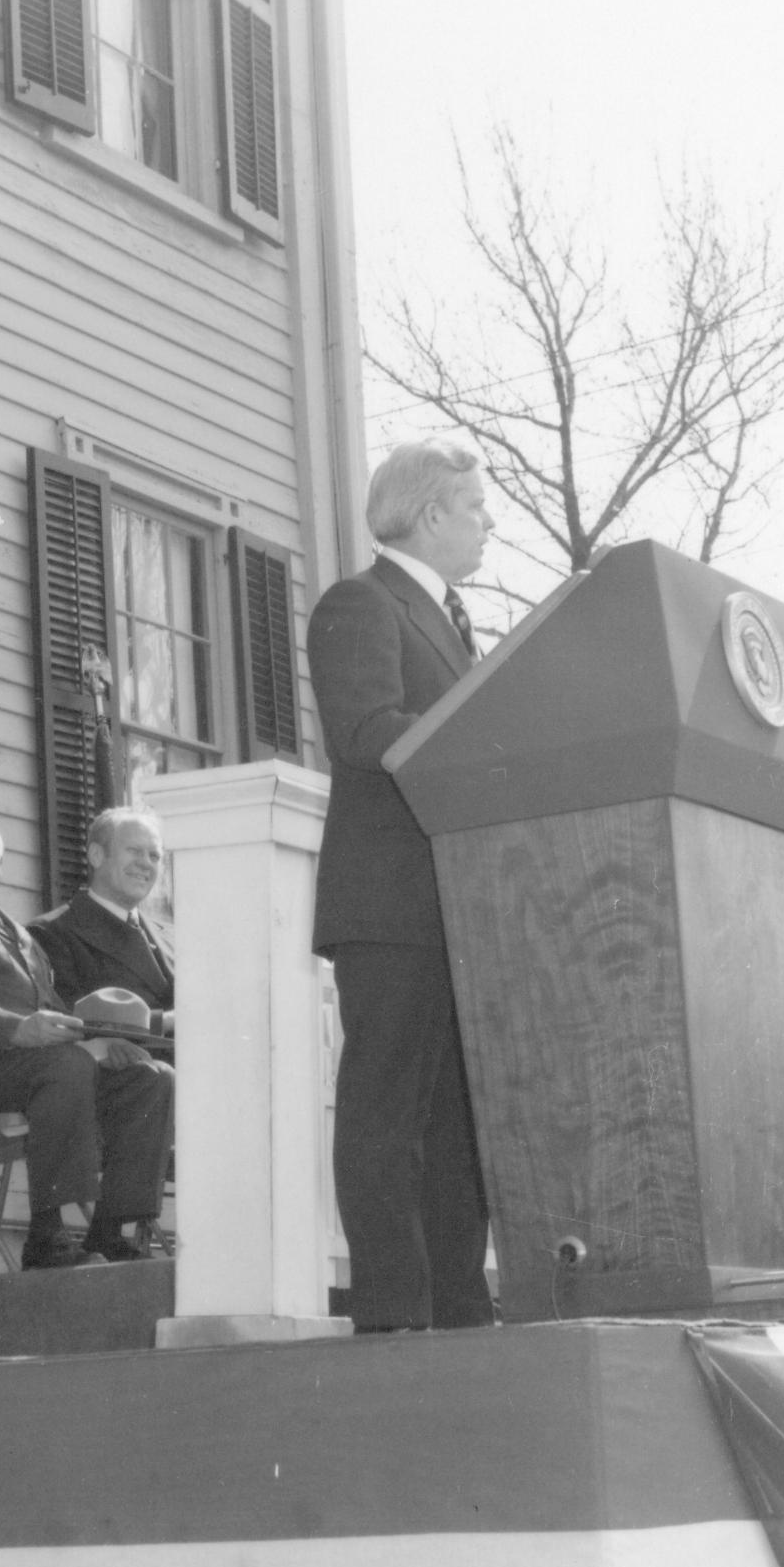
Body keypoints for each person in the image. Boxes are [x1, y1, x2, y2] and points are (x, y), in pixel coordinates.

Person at [308, 438, 496, 1333]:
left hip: (461, 910)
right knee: (388, 1114)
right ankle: (392, 1313)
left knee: (460, 1129)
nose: (486, 524)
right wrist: (497, 741)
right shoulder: (361, 602)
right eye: (474, 508)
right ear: (428, 516)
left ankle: (460, 1311)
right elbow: (364, 728)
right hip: (390, 907)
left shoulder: (458, 627)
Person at [0, 801, 171, 1268]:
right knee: (63, 1065)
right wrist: (16, 1030)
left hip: (29, 1069)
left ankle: (108, 1230)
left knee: (150, 1077)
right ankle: (45, 1237)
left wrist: (94, 1043)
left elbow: (50, 1007)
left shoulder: (14, 932)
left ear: (0, 860)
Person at [32, 807, 174, 1062]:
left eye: (154, 856)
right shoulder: (52, 932)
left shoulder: (175, 937)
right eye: (134, 851)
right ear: (97, 855)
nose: (145, 863)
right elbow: (74, 1022)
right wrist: (164, 1021)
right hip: (134, 1082)